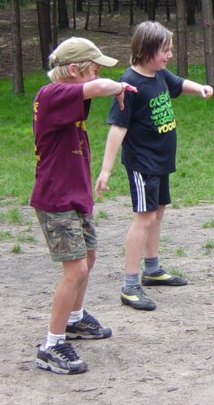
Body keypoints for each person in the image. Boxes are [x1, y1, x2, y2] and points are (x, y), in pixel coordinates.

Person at [32, 37, 137, 374]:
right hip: (55, 198)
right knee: (75, 269)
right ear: (74, 70)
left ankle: (74, 319)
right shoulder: (51, 95)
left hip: (75, 194)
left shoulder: (67, 97)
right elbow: (100, 87)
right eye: (92, 69)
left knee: (88, 258)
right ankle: (51, 345)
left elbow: (93, 88)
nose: (96, 75)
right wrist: (118, 85)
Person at [95, 21, 213, 311]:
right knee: (144, 218)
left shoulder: (158, 73)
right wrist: (105, 171)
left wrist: (199, 89)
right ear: (146, 50)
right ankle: (130, 285)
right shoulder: (129, 85)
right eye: (165, 50)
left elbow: (177, 84)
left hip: (161, 161)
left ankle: (152, 269)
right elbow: (117, 128)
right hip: (143, 164)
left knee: (157, 213)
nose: (170, 54)